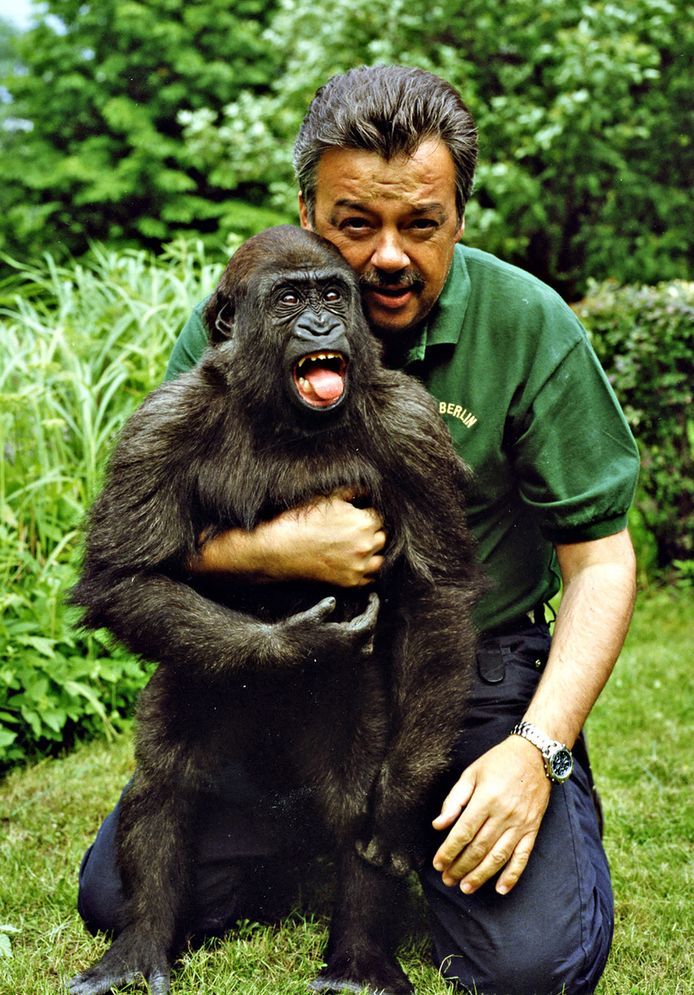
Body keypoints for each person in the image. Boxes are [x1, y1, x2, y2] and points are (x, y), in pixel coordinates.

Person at [77, 66, 640, 995]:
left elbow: (599, 563)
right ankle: (324, 825)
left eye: (420, 223)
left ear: (460, 214)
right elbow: (127, 557)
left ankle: (423, 823)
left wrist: (538, 749)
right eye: (354, 224)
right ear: (306, 211)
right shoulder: (238, 324)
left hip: (465, 665)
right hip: (272, 658)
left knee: (534, 964)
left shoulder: (528, 324)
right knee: (117, 894)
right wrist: (275, 554)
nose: (385, 256)